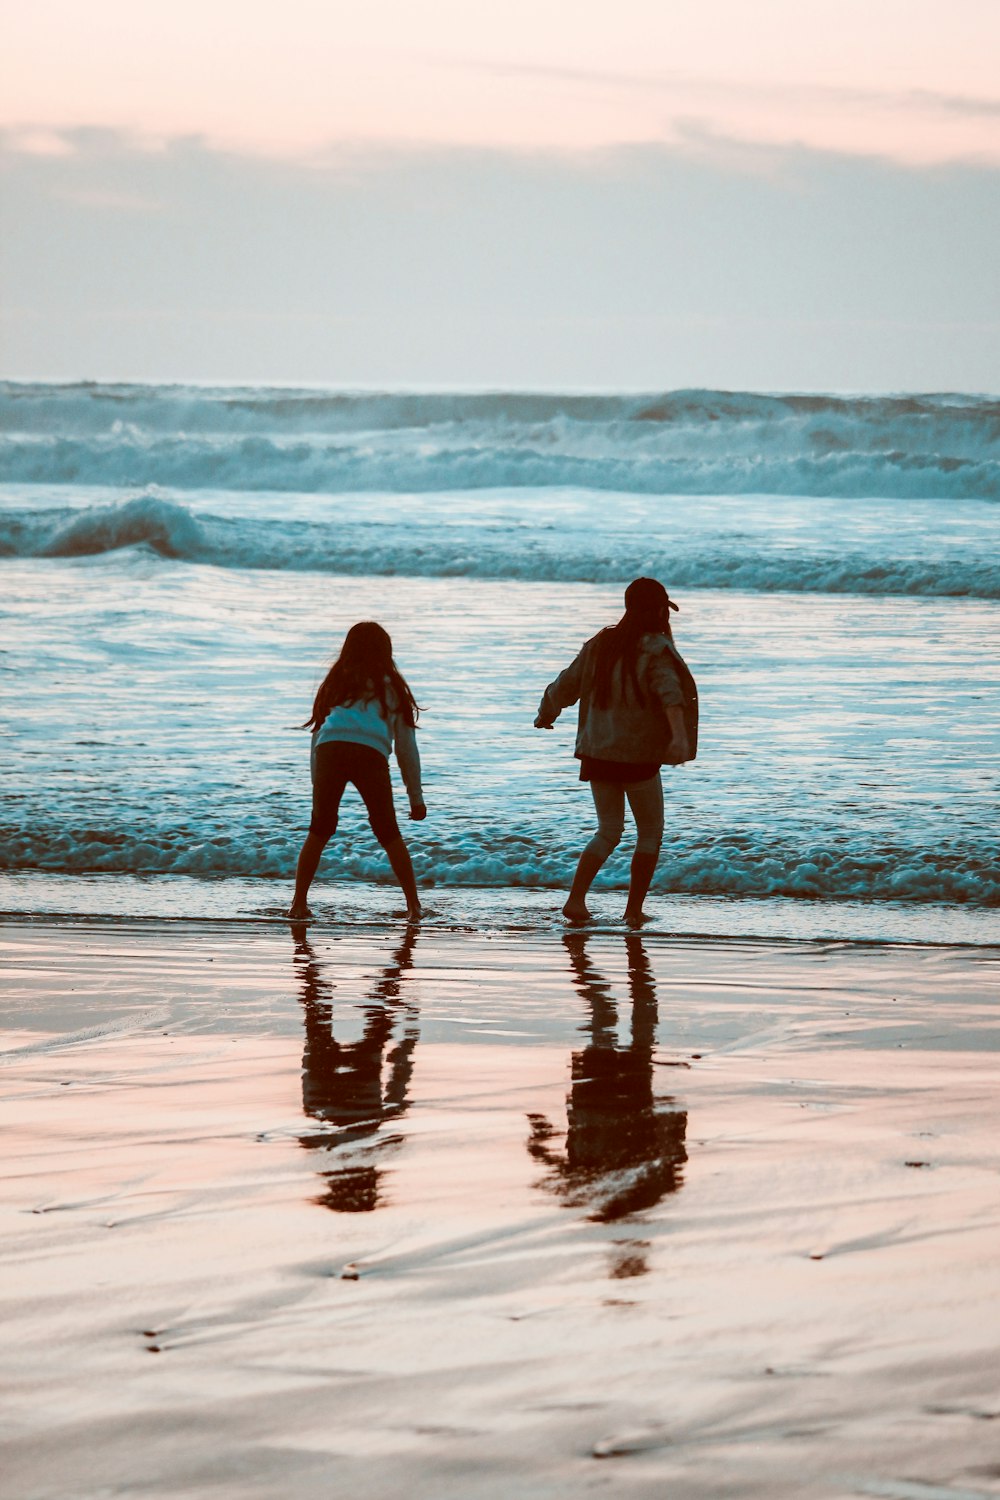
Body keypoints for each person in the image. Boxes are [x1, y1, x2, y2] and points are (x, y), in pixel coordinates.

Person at [535, 577, 698, 925]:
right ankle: (633, 910)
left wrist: (547, 710)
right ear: (658, 610)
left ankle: (576, 900)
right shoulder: (654, 649)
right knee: (650, 832)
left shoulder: (600, 644)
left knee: (608, 831)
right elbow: (670, 693)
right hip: (636, 756)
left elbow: (566, 684)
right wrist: (679, 738)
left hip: (597, 754)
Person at [288, 621, 426, 922]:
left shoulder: (337, 681)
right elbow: (406, 748)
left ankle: (298, 903)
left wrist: (317, 785)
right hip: (369, 753)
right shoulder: (392, 687)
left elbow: (317, 735)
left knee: (319, 829)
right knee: (388, 831)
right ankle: (414, 907)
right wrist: (415, 798)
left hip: (330, 749)